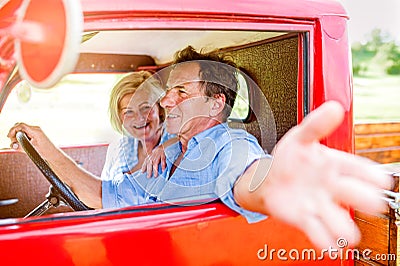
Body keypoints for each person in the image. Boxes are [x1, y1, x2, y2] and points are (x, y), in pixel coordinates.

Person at [8, 47, 392, 250]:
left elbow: (249, 174)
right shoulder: (171, 150)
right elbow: (105, 196)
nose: (167, 102)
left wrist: (274, 180)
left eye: (181, 93)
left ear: (215, 104)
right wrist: (43, 143)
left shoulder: (229, 145)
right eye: (168, 91)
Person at [7, 70, 175, 208]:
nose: (139, 118)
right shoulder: (120, 148)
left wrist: (47, 150)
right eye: (128, 111)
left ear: (160, 109)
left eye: (146, 108)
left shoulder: (177, 147)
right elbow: (101, 198)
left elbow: (104, 198)